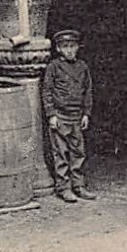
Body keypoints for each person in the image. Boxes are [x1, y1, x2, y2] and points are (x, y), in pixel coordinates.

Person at [42, 29, 96, 203]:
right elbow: (47, 91)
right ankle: (64, 188)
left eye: (73, 46)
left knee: (78, 152)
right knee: (61, 154)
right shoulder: (53, 67)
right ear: (58, 49)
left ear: (78, 47)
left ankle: (78, 185)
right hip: (60, 116)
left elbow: (88, 91)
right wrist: (51, 115)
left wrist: (86, 113)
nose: (70, 50)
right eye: (65, 47)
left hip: (77, 116)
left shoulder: (82, 67)